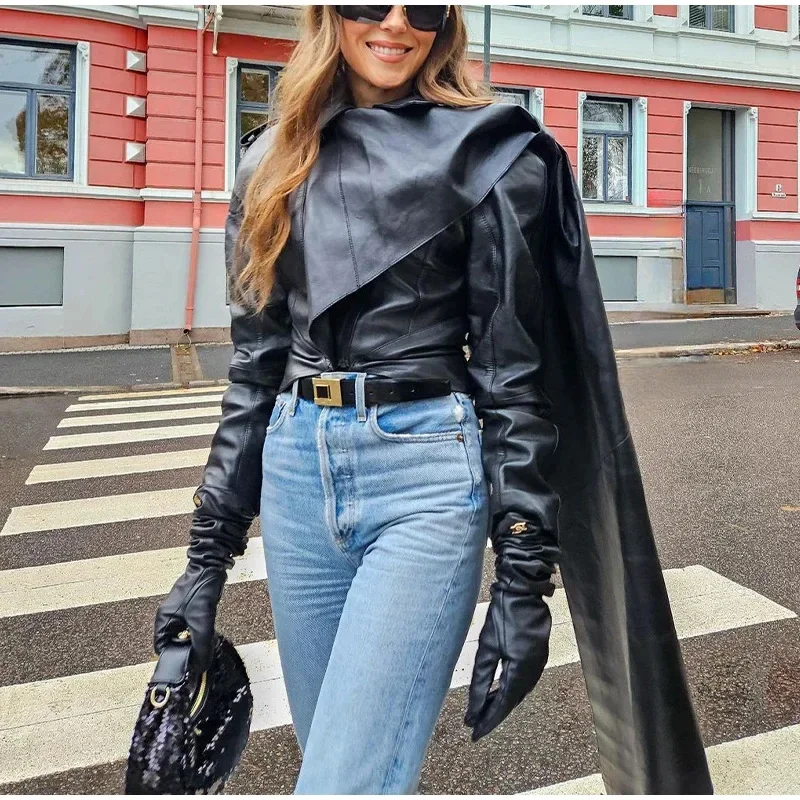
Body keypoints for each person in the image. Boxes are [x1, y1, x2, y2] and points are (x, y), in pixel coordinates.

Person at [154, 5, 713, 795]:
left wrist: (524, 582)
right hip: (293, 476)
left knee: (344, 785)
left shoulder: (488, 151)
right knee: (342, 766)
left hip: (422, 475)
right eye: (367, 2)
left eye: (419, 5)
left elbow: (511, 378)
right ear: (326, 14)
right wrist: (204, 562)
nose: (393, 23)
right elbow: (254, 370)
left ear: (444, 22)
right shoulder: (270, 161)